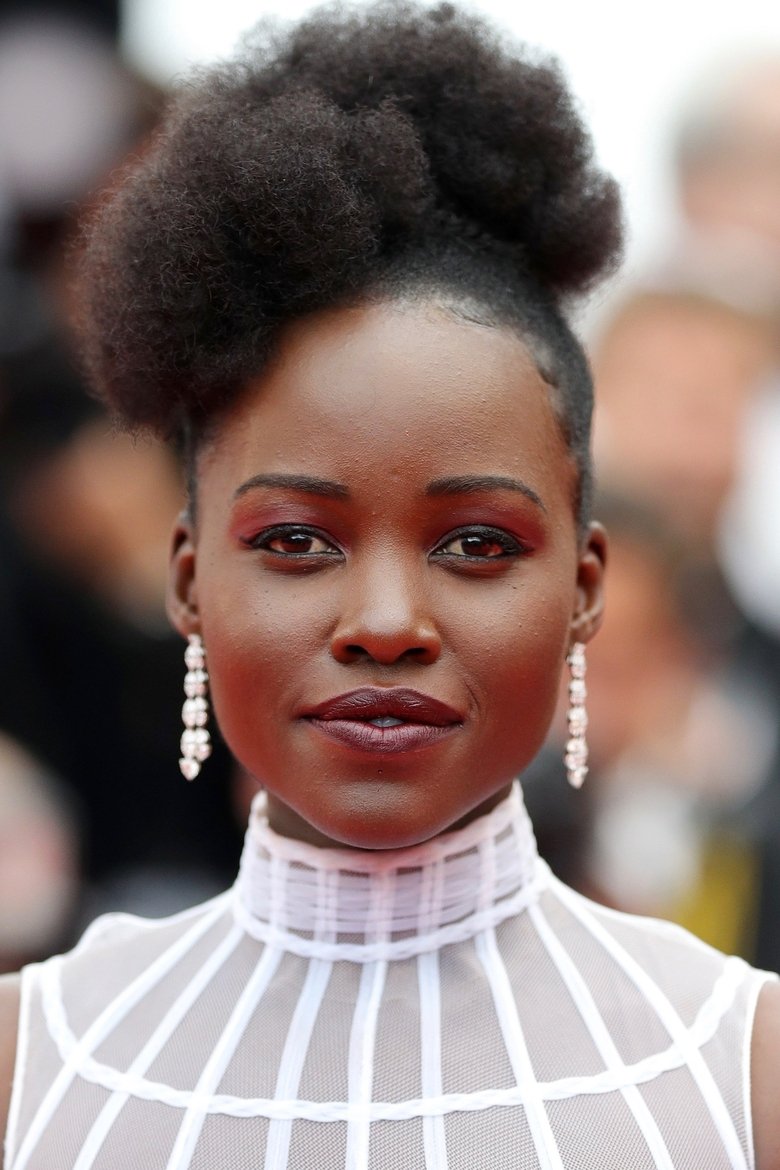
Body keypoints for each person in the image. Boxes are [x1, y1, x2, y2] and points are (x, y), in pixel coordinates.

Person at [2, 3, 779, 1166]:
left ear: (584, 587)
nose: (384, 624)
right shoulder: (33, 1069)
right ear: (188, 579)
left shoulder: (740, 1075)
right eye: (295, 541)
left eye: (476, 545)